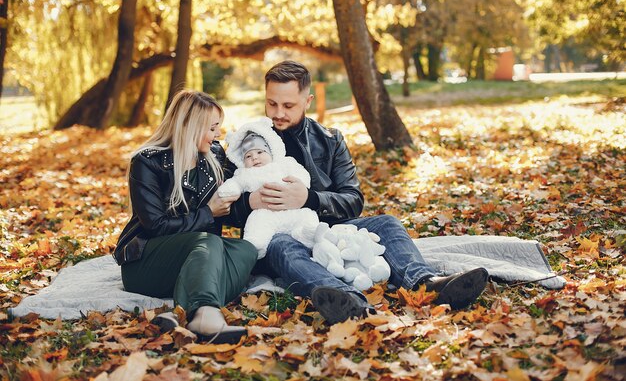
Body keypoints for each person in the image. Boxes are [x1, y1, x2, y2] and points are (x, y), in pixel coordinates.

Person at [227, 60, 489, 324]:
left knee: (387, 223)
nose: (278, 113)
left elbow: (353, 200)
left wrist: (311, 198)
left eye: (288, 106)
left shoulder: (330, 140)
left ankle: (427, 283)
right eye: (272, 104)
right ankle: (347, 300)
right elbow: (226, 209)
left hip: (332, 232)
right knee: (282, 245)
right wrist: (251, 201)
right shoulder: (247, 143)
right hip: (279, 239)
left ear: (307, 101)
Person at [113, 90, 257, 344]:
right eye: (212, 128)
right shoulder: (147, 162)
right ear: (191, 127)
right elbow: (155, 226)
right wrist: (208, 213)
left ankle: (178, 314)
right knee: (210, 243)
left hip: (197, 257)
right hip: (145, 262)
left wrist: (252, 201)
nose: (218, 135)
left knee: (245, 250)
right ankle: (205, 314)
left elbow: (230, 207)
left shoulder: (214, 155)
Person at [217, 116, 320, 258]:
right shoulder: (243, 174)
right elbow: (233, 188)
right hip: (265, 215)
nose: (254, 158)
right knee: (258, 222)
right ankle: (255, 246)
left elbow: (301, 176)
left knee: (307, 215)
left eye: (260, 152)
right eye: (248, 156)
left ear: (271, 152)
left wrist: (304, 190)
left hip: (293, 211)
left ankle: (309, 234)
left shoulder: (284, 164)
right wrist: (231, 192)